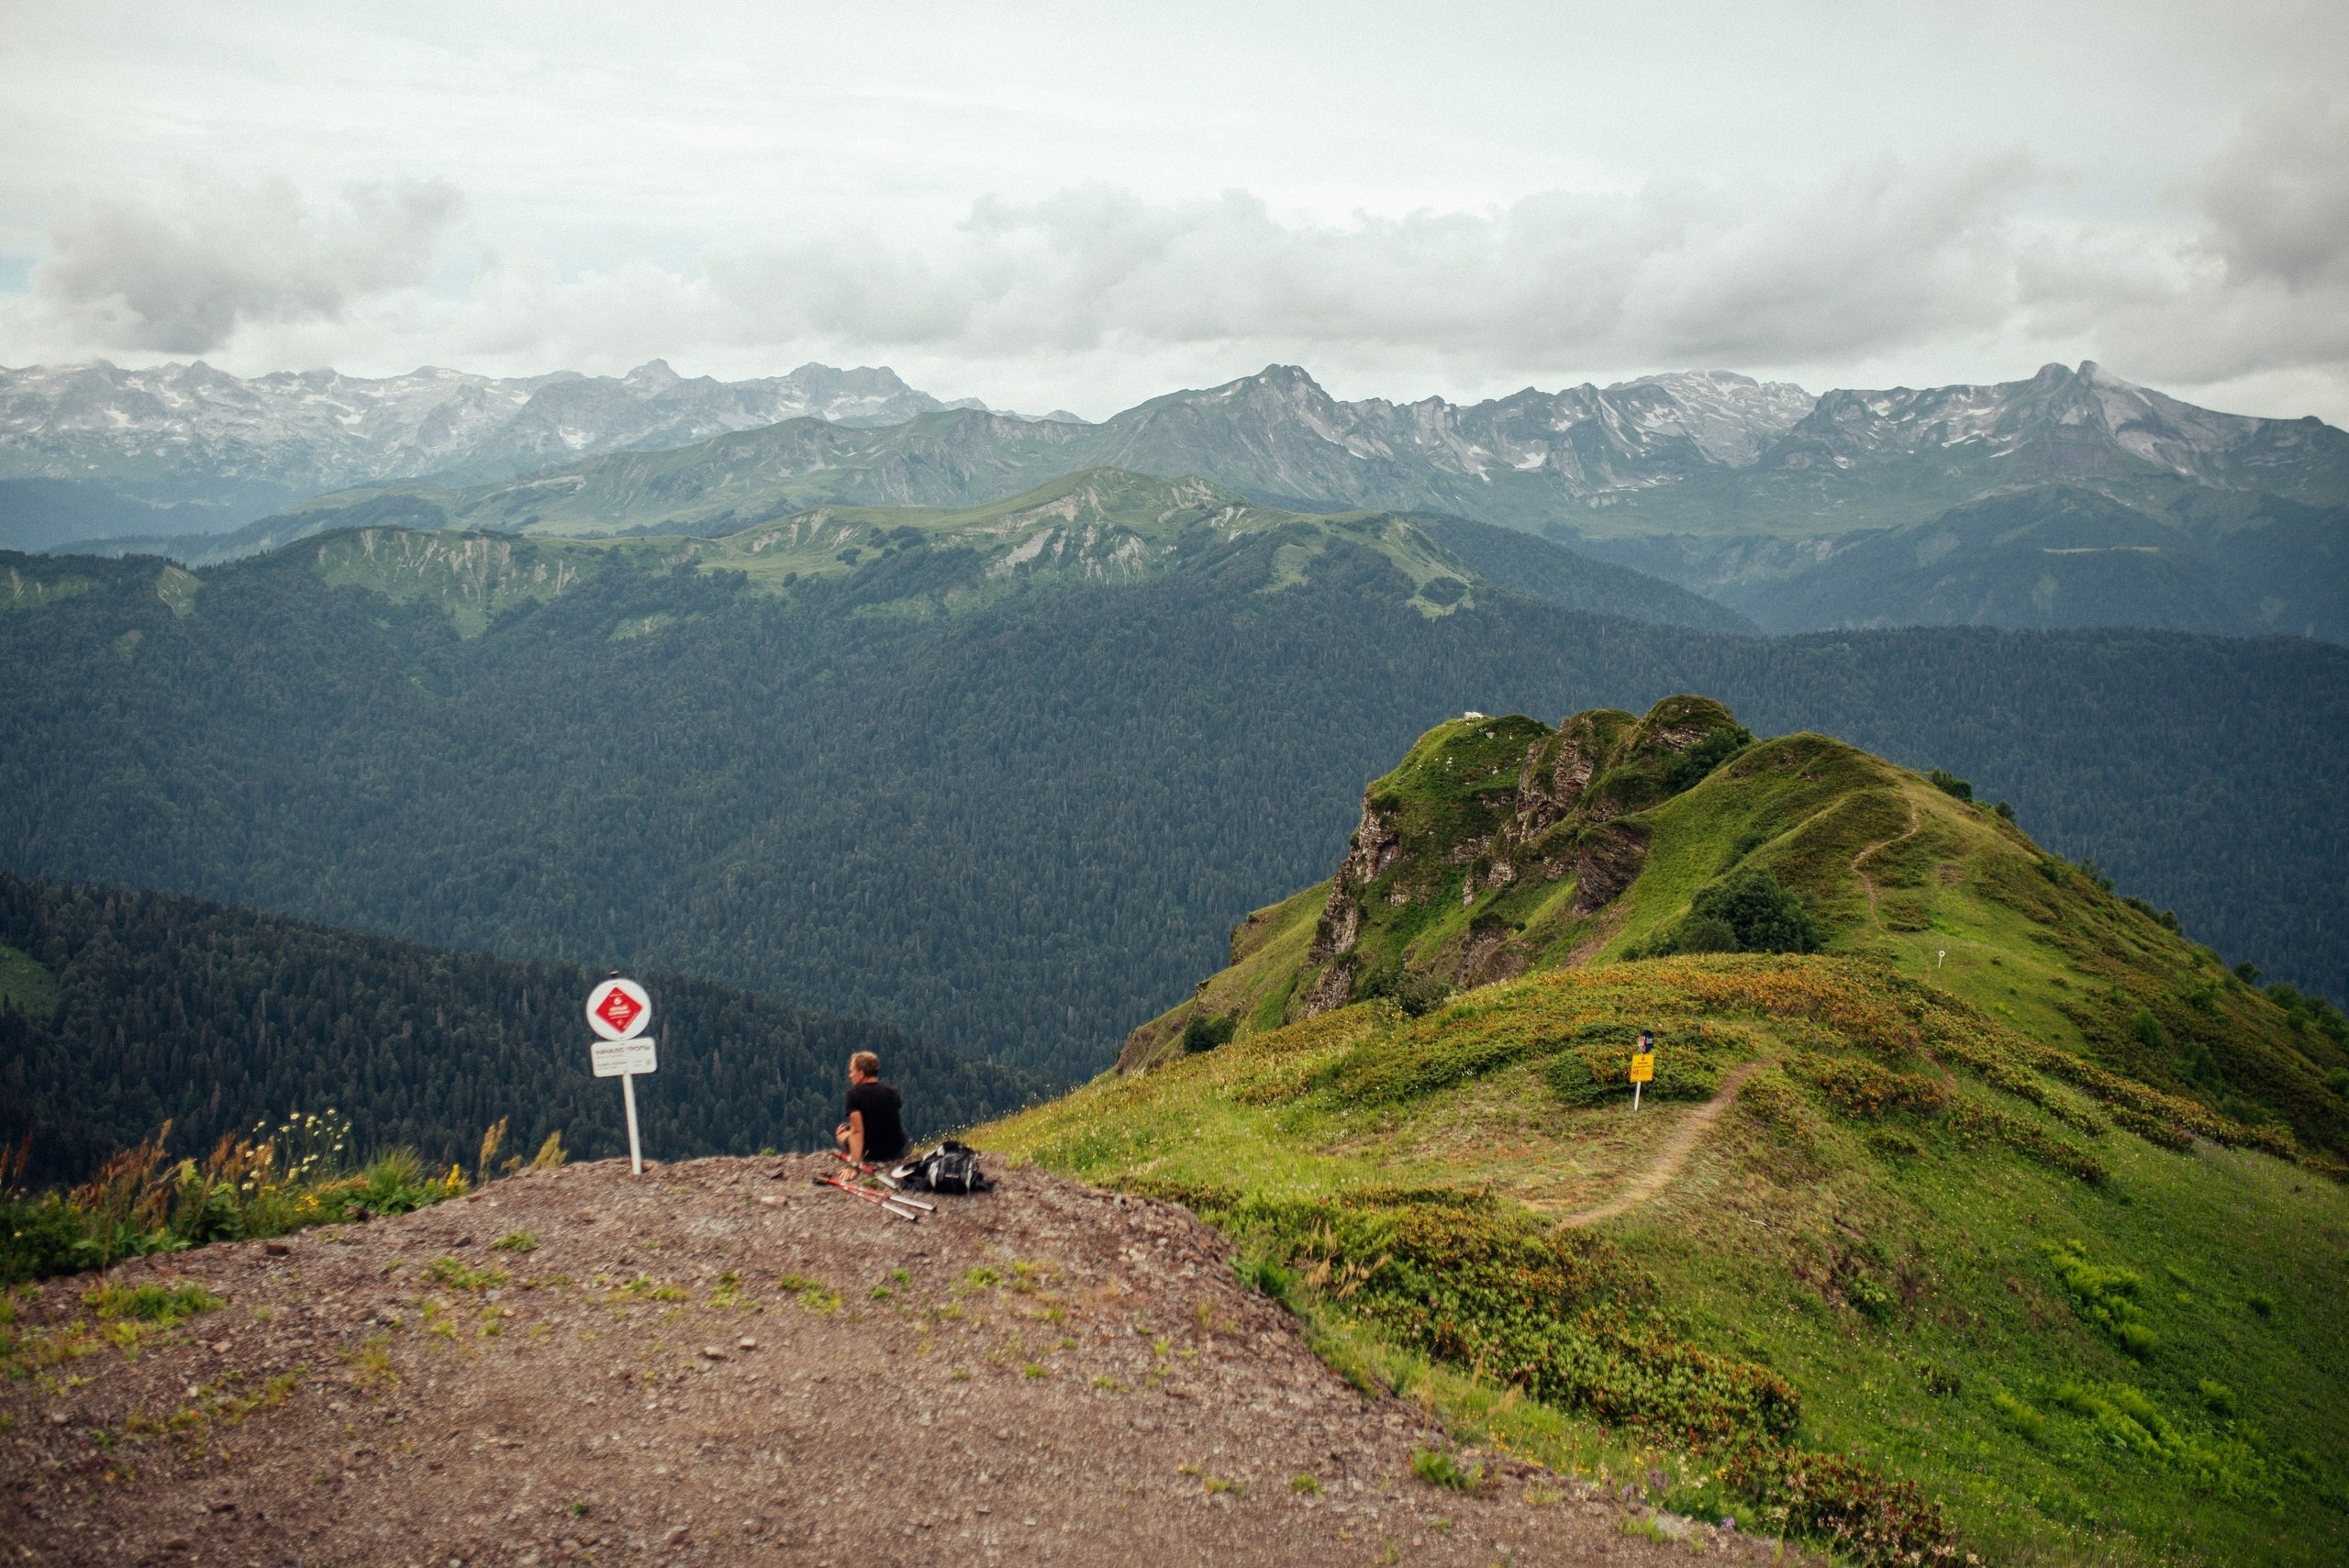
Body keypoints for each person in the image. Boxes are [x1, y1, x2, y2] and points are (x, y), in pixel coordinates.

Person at [834, 1051, 908, 1166]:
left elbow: (857, 1131)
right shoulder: (892, 1092)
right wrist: (850, 1126)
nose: (850, 1076)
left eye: (852, 1071)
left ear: (861, 1073)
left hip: (873, 1153)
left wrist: (854, 1164)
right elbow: (881, 1118)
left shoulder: (854, 1095)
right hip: (897, 1151)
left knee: (841, 1134)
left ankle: (856, 1155)